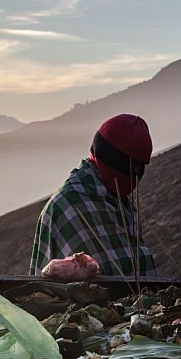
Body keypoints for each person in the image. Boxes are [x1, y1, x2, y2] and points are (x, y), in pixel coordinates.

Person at [31, 114, 156, 277]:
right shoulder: (70, 205)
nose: (137, 173)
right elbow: (57, 293)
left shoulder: (119, 203)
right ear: (111, 157)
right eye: (132, 166)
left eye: (141, 167)